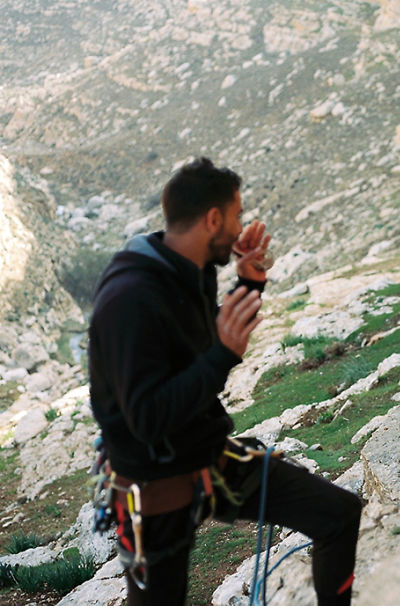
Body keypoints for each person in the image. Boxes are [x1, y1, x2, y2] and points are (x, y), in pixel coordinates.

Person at [89, 158, 361, 605]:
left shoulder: (185, 268)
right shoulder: (130, 299)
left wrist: (249, 283)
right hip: (155, 488)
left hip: (207, 459)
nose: (240, 229)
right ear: (212, 219)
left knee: (338, 514)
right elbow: (147, 418)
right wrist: (221, 357)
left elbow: (205, 345)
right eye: (236, 216)